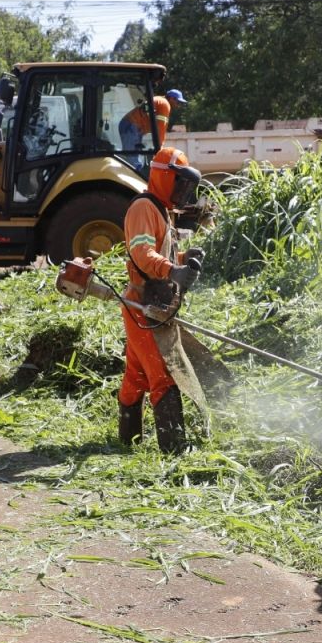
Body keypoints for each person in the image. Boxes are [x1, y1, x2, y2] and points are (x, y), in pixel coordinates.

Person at [118, 145, 205, 453]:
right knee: (163, 374)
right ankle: (174, 450)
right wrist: (172, 270)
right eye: (179, 183)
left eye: (187, 185)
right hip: (142, 306)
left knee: (137, 374)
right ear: (163, 177)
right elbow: (142, 254)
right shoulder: (143, 207)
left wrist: (182, 259)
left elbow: (159, 253)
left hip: (154, 305)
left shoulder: (161, 210)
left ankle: (127, 438)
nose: (184, 191)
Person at [119, 88, 187, 154]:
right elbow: (161, 127)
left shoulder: (159, 100)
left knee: (132, 155)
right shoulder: (164, 104)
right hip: (132, 126)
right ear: (171, 98)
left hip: (131, 125)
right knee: (132, 157)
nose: (178, 105)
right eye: (178, 102)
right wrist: (159, 147)